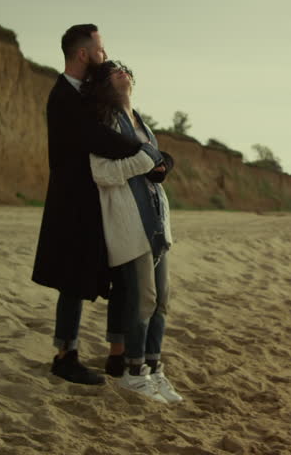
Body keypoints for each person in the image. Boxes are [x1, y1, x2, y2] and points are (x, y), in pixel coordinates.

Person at [30, 24, 162, 385]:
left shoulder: (83, 96)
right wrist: (144, 151)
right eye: (101, 51)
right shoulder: (63, 97)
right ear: (83, 54)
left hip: (95, 203)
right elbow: (97, 138)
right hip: (72, 204)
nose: (104, 56)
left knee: (112, 279)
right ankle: (64, 357)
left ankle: (115, 354)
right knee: (71, 283)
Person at [82, 60, 182, 404]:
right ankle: (133, 373)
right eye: (112, 69)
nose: (121, 70)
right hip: (130, 223)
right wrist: (146, 159)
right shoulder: (106, 121)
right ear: (103, 84)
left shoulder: (141, 122)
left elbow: (150, 163)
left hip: (156, 220)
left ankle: (154, 370)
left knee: (161, 302)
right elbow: (101, 173)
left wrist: (159, 165)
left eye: (123, 67)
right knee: (144, 301)